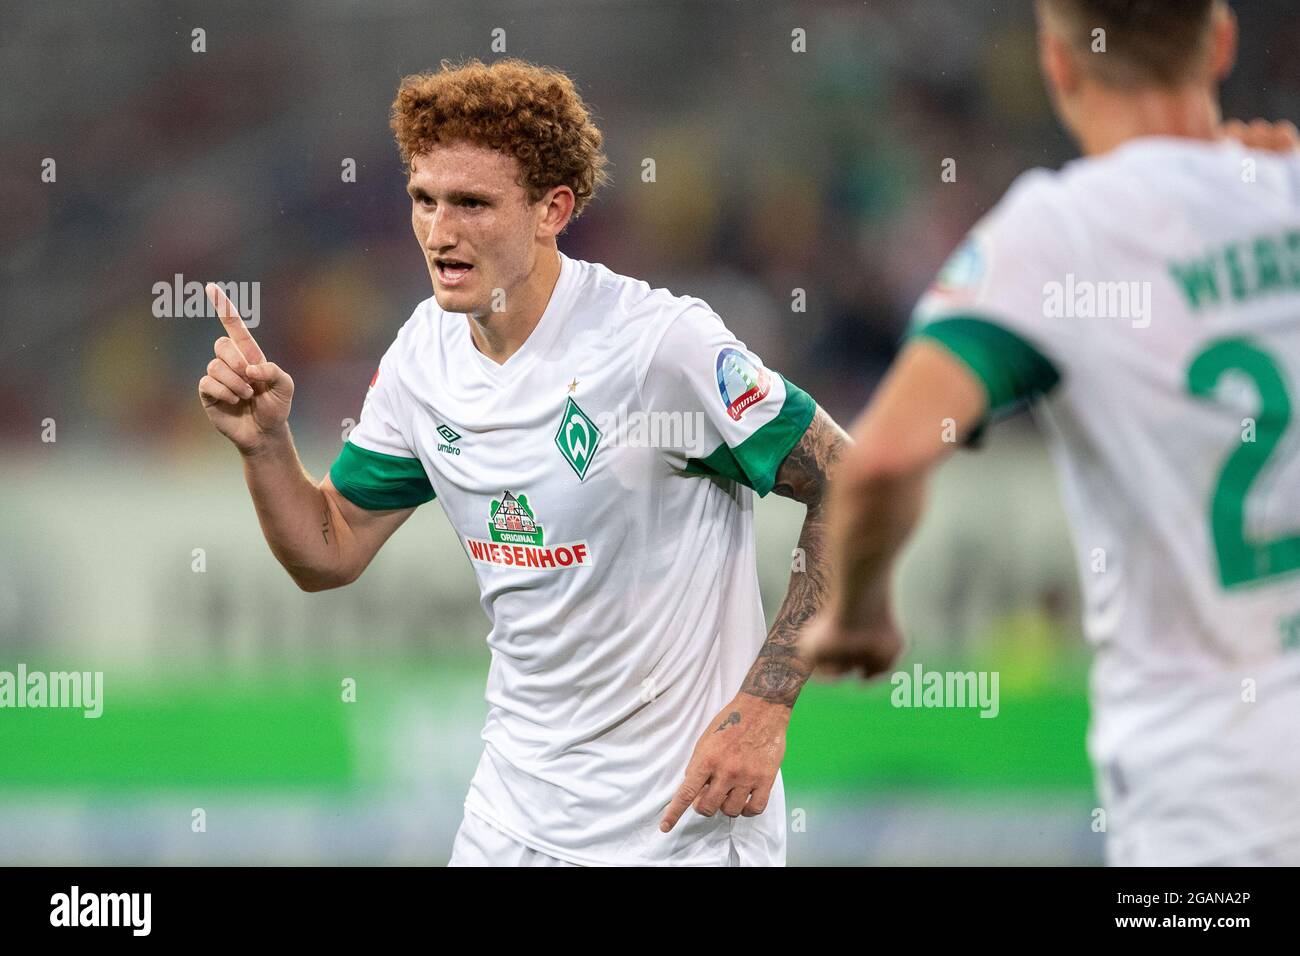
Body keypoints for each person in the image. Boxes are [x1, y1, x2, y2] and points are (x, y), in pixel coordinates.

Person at [197, 58, 847, 866]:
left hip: (688, 828)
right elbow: (328, 549)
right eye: (423, 200)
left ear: (553, 209)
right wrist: (263, 446)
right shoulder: (422, 358)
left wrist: (765, 706)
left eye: (472, 203)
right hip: (511, 823)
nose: (440, 231)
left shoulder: (659, 348)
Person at [804, 0, 1300, 865]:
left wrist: (859, 615)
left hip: (1217, 800)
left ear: (1058, 63)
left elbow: (881, 458)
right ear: (1221, 41)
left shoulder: (1062, 234)